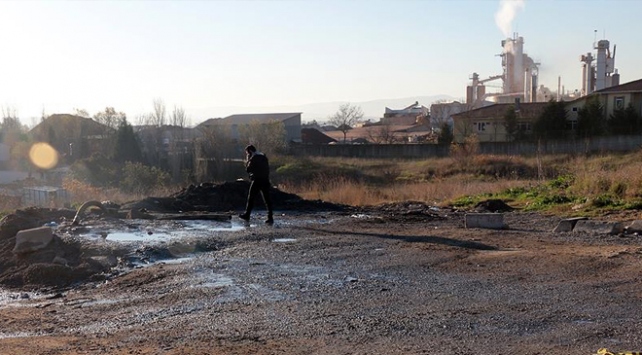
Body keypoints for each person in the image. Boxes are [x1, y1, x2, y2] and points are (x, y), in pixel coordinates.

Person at [239, 145, 274, 224]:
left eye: (247, 153)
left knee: (251, 198)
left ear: (250, 151)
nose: (247, 154)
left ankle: (247, 214)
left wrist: (248, 161)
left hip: (257, 180)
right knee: (267, 200)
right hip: (265, 180)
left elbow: (248, 169)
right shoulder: (263, 157)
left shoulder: (254, 158)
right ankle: (270, 217)